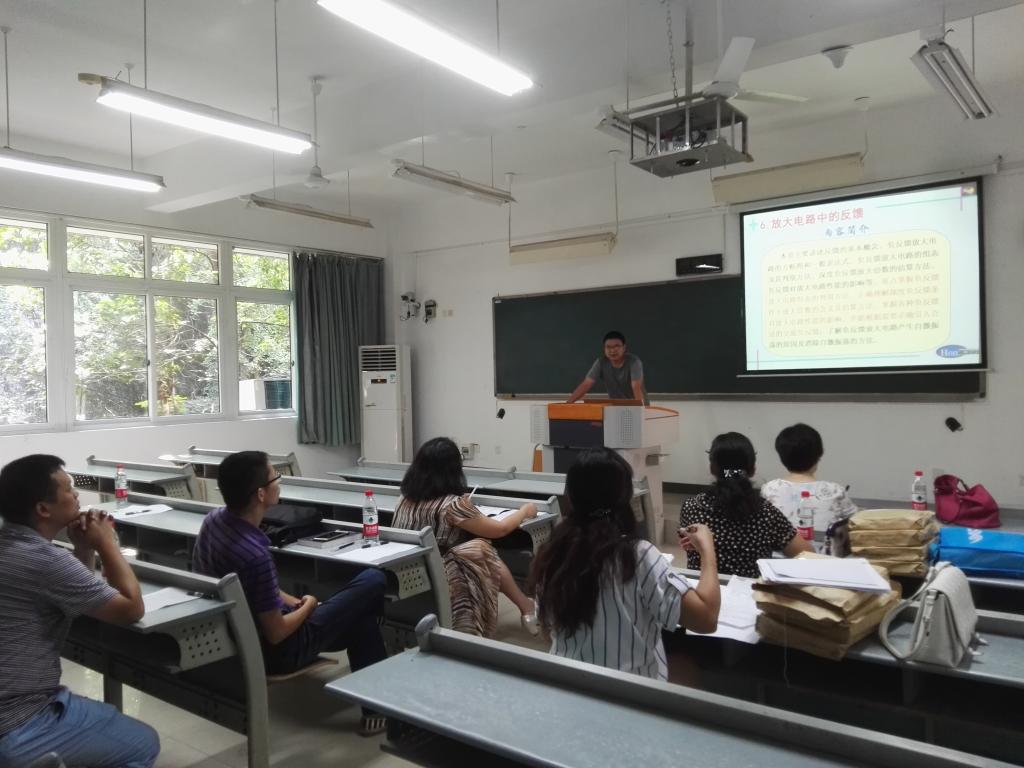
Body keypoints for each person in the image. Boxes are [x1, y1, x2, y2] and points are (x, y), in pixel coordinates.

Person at [192, 450, 388, 736]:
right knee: (375, 579)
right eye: (275, 477)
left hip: (238, 633)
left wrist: (292, 601)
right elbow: (276, 633)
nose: (279, 483)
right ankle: (379, 708)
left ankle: (377, 712)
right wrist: (308, 605)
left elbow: (257, 589)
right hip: (279, 650)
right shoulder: (255, 554)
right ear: (260, 494)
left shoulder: (214, 522)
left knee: (362, 619)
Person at [0, 454, 159, 768]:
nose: (76, 495)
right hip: (19, 722)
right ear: (43, 509)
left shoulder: (12, 545)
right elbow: (131, 609)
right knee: (144, 743)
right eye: (68, 489)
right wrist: (106, 543)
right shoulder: (45, 560)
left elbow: (72, 594)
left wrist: (83, 548)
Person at [529, 448, 720, 680]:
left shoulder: (551, 554)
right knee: (688, 668)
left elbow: (547, 630)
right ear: (625, 496)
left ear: (570, 495)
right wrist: (707, 549)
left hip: (566, 682)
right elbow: (706, 619)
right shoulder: (637, 556)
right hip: (629, 691)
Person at [393, 437, 540, 638]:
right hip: (440, 575)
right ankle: (527, 608)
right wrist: (524, 511)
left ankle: (526, 607)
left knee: (478, 550)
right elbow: (500, 529)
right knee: (482, 549)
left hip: (409, 572)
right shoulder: (453, 505)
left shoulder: (404, 499)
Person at [679, 432, 813, 578]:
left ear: (712, 468)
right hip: (751, 591)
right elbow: (808, 556)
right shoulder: (767, 513)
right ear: (753, 469)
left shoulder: (691, 507)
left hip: (702, 589)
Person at [761, 423, 857, 533]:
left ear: (782, 458)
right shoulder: (835, 490)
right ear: (819, 455)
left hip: (781, 545)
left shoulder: (769, 489)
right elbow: (856, 523)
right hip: (822, 545)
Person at [568, 330, 647, 403]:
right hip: (616, 405)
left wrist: (640, 408)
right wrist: (568, 404)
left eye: (616, 346)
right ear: (604, 349)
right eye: (608, 347)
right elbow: (586, 384)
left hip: (638, 405)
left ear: (624, 348)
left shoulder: (634, 362)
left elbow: (636, 386)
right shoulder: (601, 363)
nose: (612, 350)